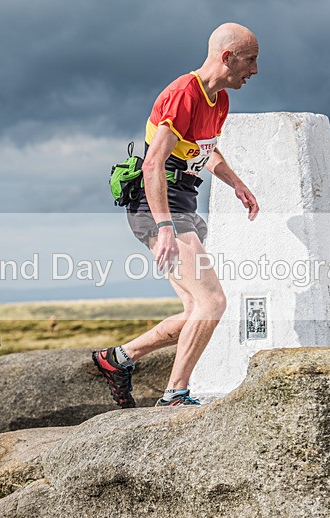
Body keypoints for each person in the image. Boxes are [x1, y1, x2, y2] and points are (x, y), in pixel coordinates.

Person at [92, 23, 260, 408]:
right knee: (213, 303)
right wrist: (164, 227)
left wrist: (236, 183)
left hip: (182, 200)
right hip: (158, 204)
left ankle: (118, 359)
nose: (254, 71)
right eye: (250, 61)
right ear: (227, 57)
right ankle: (175, 393)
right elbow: (153, 164)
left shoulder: (220, 101)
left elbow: (205, 151)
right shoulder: (184, 93)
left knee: (194, 312)